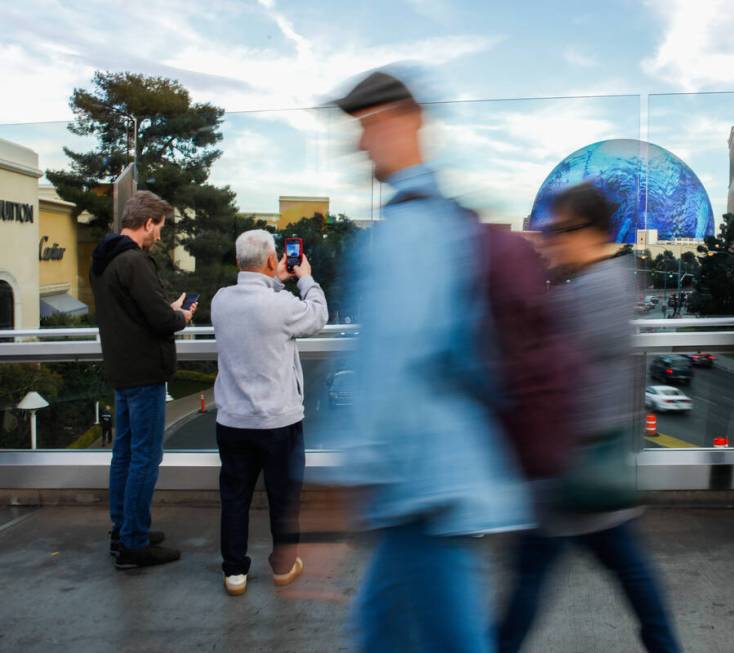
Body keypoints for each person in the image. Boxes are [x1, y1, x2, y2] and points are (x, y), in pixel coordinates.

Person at [333, 69, 531, 652]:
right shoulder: (443, 218)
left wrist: (349, 475)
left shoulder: (409, 231)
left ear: (407, 120)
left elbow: (392, 363)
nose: (361, 143)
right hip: (431, 483)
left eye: (370, 125)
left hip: (425, 487)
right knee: (378, 632)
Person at [496, 183, 681, 653]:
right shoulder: (610, 280)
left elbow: (533, 350)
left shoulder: (593, 291)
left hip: (573, 469)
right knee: (629, 574)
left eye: (560, 230)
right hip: (589, 467)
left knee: (531, 583)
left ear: (593, 231)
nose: (553, 239)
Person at [210, 229, 327, 596]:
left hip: (232, 420)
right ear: (274, 261)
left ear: (236, 264)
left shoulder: (219, 300)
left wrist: (272, 277)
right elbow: (317, 316)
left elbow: (254, 296)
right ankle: (282, 566)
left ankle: (234, 573)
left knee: (234, 497)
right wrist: (304, 277)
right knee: (284, 496)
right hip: (279, 420)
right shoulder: (281, 306)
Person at [90, 190, 196, 569]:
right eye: (160, 228)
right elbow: (161, 321)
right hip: (145, 372)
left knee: (124, 454)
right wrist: (180, 316)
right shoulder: (134, 262)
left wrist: (162, 312)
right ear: (148, 222)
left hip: (121, 369)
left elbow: (131, 312)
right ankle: (134, 543)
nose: (159, 236)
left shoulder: (104, 259)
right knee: (145, 459)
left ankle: (124, 529)